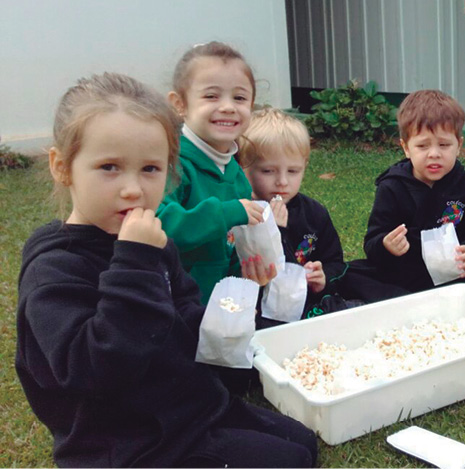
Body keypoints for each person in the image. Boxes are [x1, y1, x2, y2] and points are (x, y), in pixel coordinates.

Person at [16, 72, 317, 467]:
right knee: (288, 461)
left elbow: (186, 315)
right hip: (127, 439)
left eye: (150, 169)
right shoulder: (55, 268)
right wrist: (134, 261)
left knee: (302, 443)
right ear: (62, 167)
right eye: (109, 167)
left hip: (185, 406)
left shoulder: (153, 240)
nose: (133, 188)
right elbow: (96, 370)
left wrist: (239, 303)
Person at [346, 89, 465, 305]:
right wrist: (386, 245)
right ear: (406, 148)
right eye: (422, 146)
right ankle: (406, 305)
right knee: (349, 272)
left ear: (459, 145)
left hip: (461, 276)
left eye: (444, 145)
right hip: (410, 277)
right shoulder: (392, 188)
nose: (434, 154)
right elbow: (373, 242)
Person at [157, 41, 272, 304]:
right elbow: (159, 226)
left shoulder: (234, 173)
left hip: (219, 307)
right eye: (211, 96)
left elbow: (232, 244)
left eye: (239, 98)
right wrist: (225, 213)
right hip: (173, 306)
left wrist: (249, 275)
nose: (228, 107)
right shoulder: (171, 164)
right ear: (179, 103)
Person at [239, 108, 356, 322]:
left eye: (293, 171)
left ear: (304, 167)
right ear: (243, 167)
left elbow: (335, 262)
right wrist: (274, 231)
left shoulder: (314, 214)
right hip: (257, 310)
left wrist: (323, 277)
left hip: (305, 305)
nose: (282, 181)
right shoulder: (242, 214)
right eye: (268, 171)